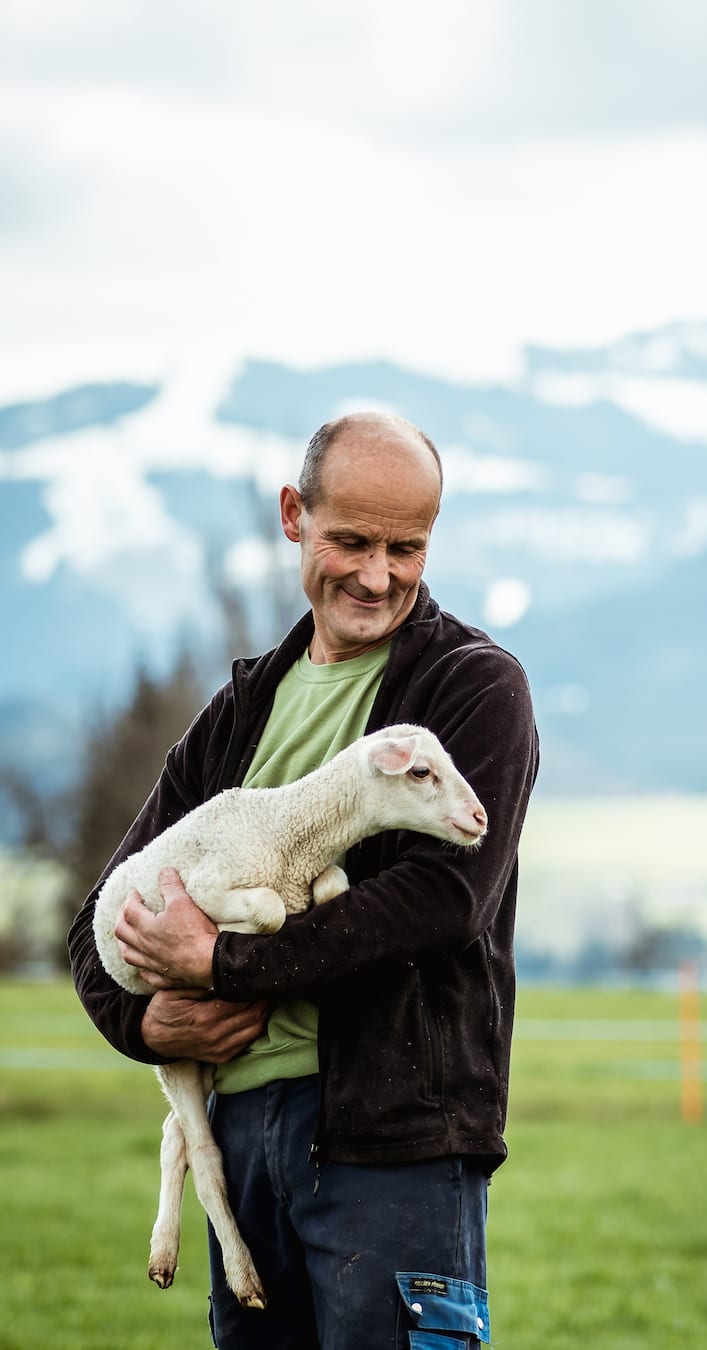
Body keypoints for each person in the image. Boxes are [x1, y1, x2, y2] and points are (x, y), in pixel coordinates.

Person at [68, 410, 539, 1350]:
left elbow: (444, 902)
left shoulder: (473, 688)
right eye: (351, 541)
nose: (378, 574)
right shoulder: (239, 712)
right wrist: (146, 1021)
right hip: (241, 1142)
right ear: (293, 515)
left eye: (405, 547)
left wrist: (226, 962)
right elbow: (96, 921)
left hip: (394, 1145)